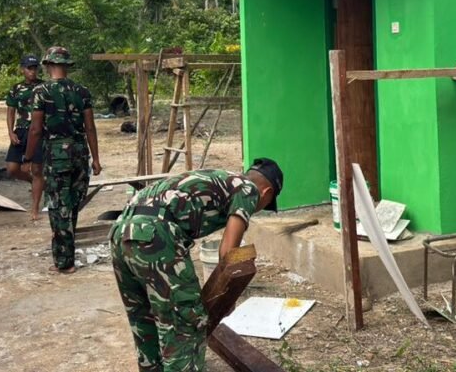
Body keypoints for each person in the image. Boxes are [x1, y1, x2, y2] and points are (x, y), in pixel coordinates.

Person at [111, 158, 284, 372]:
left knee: (143, 319)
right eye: (265, 206)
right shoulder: (248, 189)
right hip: (156, 234)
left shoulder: (220, 178)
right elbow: (228, 253)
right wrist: (226, 296)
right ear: (266, 193)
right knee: (184, 322)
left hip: (121, 231)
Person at [25, 46, 101, 274]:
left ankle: (64, 261)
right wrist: (96, 159)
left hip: (56, 154)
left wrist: (29, 156)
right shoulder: (82, 91)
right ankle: (66, 254)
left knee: (59, 207)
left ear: (47, 65)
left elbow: (36, 129)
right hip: (79, 151)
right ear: (67, 66)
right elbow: (90, 127)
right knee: (73, 204)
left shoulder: (41, 92)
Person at [5, 54, 45, 220]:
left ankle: (35, 209)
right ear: (22, 69)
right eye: (29, 68)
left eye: (35, 68)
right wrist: (10, 132)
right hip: (21, 130)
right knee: (12, 169)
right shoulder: (16, 89)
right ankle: (38, 183)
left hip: (38, 131)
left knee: (36, 170)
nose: (32, 71)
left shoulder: (44, 87)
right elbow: (10, 111)